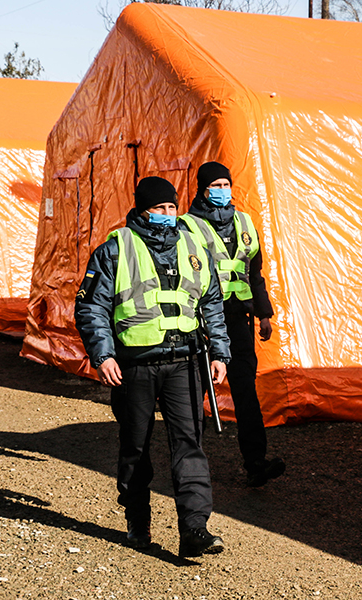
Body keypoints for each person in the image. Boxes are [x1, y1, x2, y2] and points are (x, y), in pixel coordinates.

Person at [75, 176, 231, 557]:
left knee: (190, 445)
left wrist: (219, 353)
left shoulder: (195, 245)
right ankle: (137, 520)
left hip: (185, 361)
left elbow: (211, 301)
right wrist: (103, 355)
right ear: (142, 209)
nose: (167, 214)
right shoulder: (115, 249)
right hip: (134, 366)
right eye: (159, 208)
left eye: (171, 207)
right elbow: (91, 307)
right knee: (135, 447)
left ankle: (195, 528)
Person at [179, 161, 285, 487]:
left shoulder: (244, 222)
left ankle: (256, 463)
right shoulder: (187, 225)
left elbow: (255, 273)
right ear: (203, 189)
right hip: (201, 321)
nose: (222, 191)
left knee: (245, 391)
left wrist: (264, 314)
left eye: (226, 184)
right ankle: (188, 468)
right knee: (194, 392)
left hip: (239, 318)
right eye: (216, 186)